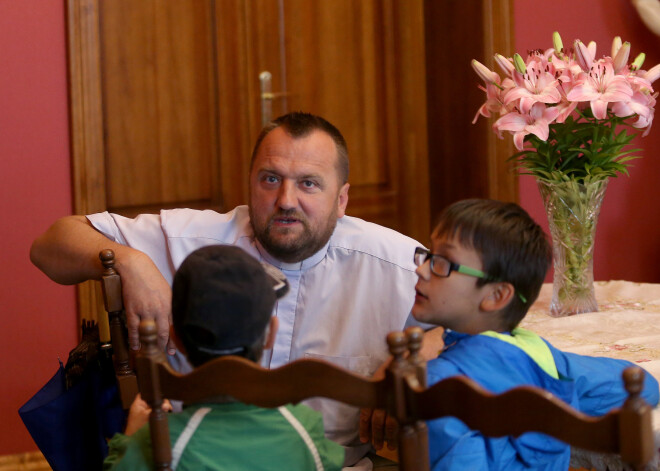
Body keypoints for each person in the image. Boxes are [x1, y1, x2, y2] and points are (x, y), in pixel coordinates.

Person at [31, 111, 440, 468]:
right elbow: (49, 247)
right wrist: (129, 260)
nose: (285, 200)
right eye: (270, 179)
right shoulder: (190, 239)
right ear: (250, 183)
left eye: (309, 184)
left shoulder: (397, 262)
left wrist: (420, 354)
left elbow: (488, 319)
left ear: (342, 199)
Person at [410, 199, 660, 470]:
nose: (421, 269)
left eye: (442, 262)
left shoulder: (437, 385)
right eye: (428, 255)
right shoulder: (537, 355)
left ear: (496, 295)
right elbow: (644, 387)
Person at [103, 244, 344, 470]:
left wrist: (132, 436)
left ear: (176, 339)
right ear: (270, 334)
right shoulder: (304, 428)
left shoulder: (161, 441)